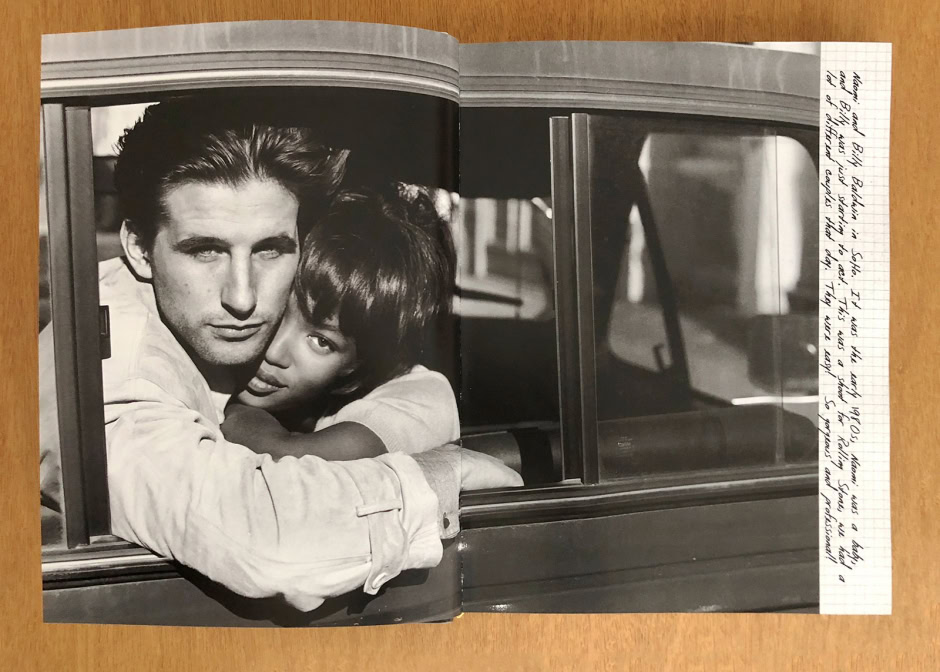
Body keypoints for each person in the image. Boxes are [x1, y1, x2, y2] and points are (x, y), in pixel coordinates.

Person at [38, 99, 521, 612]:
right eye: (205, 250)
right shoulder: (113, 372)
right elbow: (268, 542)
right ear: (138, 247)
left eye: (270, 249)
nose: (242, 298)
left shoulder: (221, 330)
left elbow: (399, 379)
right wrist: (441, 474)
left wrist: (413, 411)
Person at [221, 184, 459, 462]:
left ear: (358, 363)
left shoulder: (421, 397)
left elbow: (287, 456)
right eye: (277, 311)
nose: (275, 353)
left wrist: (226, 407)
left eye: (321, 341)